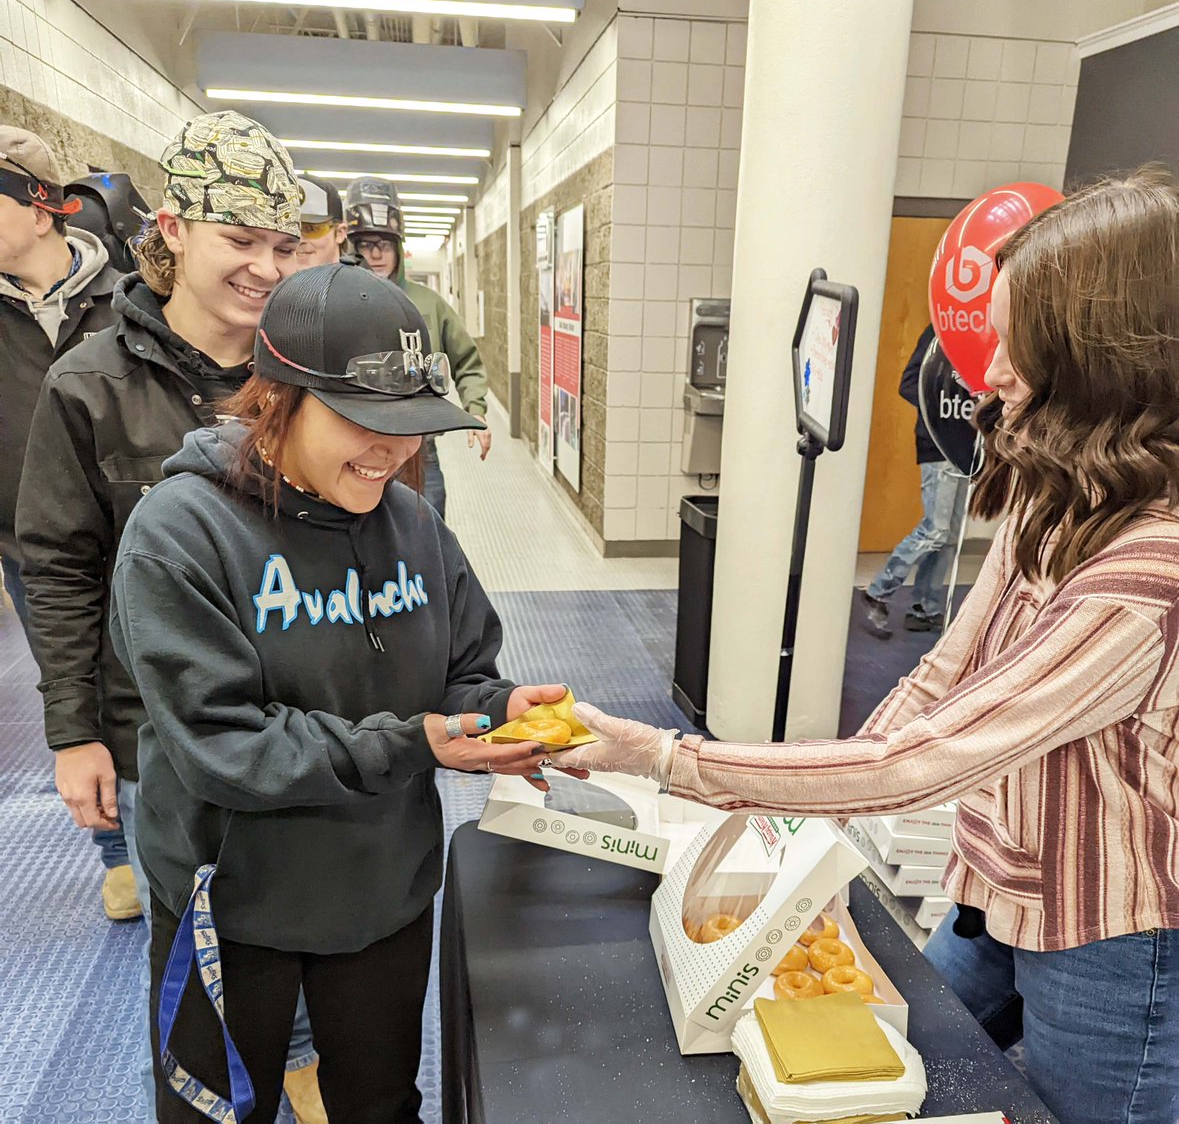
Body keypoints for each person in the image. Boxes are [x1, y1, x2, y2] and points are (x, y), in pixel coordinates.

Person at [552, 171, 1179, 1124]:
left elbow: (920, 762)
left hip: (1111, 933)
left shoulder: (1148, 576)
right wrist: (810, 819)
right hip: (997, 879)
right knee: (889, 1060)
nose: (989, 369)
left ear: (1103, 361)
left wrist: (666, 759)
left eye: (1017, 345)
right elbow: (941, 674)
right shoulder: (1061, 490)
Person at [109, 262, 559, 1123]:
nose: (395, 450)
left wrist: (497, 710)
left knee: (381, 1104)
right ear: (277, 398)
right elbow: (223, 744)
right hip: (234, 900)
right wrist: (414, 742)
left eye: (415, 426)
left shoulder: (414, 524)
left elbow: (463, 666)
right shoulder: (181, 535)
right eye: (364, 420)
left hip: (381, 892)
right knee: (215, 1112)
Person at [15, 111, 329, 1122]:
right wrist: (74, 734)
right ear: (174, 229)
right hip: (162, 731)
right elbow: (58, 567)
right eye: (242, 239)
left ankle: (307, 1055)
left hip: (308, 718)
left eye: (283, 245)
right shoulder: (91, 385)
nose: (266, 267)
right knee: (198, 938)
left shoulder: (311, 371)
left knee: (316, 909)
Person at [0, 125, 139, 921]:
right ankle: (116, 852)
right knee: (73, 682)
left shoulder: (127, 302)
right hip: (35, 542)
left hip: (137, 527)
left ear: (42, 206)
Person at [345, 175, 490, 519]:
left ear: (399, 247)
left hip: (418, 450)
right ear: (352, 247)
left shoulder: (429, 303)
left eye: (385, 243)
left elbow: (466, 358)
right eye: (367, 244)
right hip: (354, 444)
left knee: (428, 530)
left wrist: (476, 408)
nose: (377, 254)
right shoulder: (337, 303)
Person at [861, 323, 969, 638]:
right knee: (936, 531)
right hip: (937, 444)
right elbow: (909, 384)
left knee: (950, 537)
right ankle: (878, 590)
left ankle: (925, 608)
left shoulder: (982, 337)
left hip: (966, 446)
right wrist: (942, 407)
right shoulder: (939, 331)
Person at [295, 173, 349, 269]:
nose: (299, 240)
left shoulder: (361, 283)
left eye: (311, 229)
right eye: (290, 231)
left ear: (340, 233)